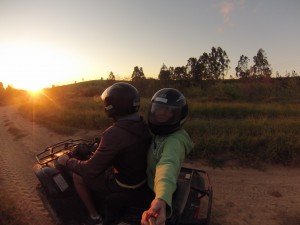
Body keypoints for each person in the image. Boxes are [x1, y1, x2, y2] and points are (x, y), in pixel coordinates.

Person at [58, 82, 152, 225]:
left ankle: (94, 216)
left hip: (124, 184)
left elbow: (90, 170)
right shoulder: (143, 124)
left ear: (111, 106)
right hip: (140, 178)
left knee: (78, 176)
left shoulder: (114, 133)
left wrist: (67, 161)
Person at [141, 88, 194, 225]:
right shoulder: (159, 134)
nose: (161, 114)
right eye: (158, 109)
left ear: (179, 115)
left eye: (168, 111)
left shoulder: (174, 141)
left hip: (158, 191)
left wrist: (161, 199)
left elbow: (167, 165)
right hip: (151, 183)